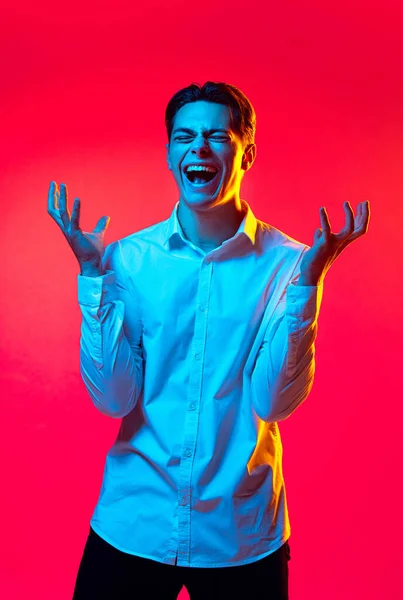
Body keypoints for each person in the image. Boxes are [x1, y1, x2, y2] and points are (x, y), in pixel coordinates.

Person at [48, 81, 370, 600]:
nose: (199, 147)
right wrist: (92, 276)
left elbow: (274, 402)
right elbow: (113, 399)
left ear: (247, 154)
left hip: (240, 536)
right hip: (135, 521)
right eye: (185, 136)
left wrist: (308, 286)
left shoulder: (288, 264)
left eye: (218, 136)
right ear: (171, 153)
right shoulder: (128, 260)